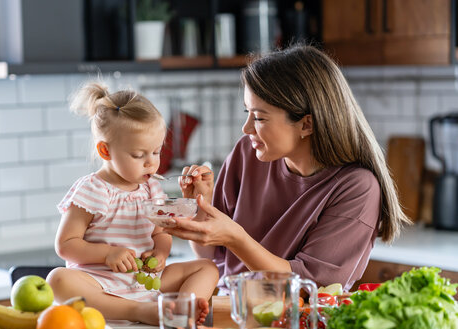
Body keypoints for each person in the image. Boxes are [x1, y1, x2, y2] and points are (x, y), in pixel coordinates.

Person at [163, 45, 410, 293]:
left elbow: (310, 287)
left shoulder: (356, 187)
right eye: (247, 113)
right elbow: (215, 257)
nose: (246, 128)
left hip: (298, 324)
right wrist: (202, 209)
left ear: (306, 125)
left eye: (259, 118)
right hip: (232, 310)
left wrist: (234, 237)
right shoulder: (247, 153)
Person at [46, 81, 219, 325]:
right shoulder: (92, 190)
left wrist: (160, 252)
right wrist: (108, 254)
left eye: (157, 152)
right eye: (139, 155)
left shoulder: (152, 188)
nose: (151, 163)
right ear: (106, 151)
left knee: (208, 268)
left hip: (144, 280)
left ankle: (181, 310)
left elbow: (161, 232)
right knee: (57, 280)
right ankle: (139, 312)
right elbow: (65, 245)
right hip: (99, 283)